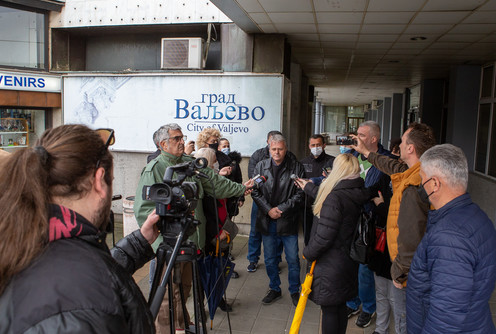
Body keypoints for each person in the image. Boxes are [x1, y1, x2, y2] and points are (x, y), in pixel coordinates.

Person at [0, 125, 160, 333]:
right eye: (111, 181)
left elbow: (82, 272)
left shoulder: (27, 236)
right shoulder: (79, 303)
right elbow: (81, 289)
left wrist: (137, 243)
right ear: (98, 181)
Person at [134, 123, 252, 334]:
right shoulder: (155, 169)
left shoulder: (190, 164)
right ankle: (167, 329)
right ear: (163, 144)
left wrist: (242, 189)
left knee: (184, 290)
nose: (182, 141)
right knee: (169, 295)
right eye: (176, 138)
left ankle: (181, 324)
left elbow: (216, 183)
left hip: (191, 241)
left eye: (182, 137)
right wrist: (161, 243)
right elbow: (143, 212)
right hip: (169, 246)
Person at [351, 122, 436, 331]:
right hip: (396, 259)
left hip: (405, 268)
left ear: (410, 148)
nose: (398, 143)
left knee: (402, 317)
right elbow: (391, 166)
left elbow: (411, 234)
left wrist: (399, 271)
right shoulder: (410, 171)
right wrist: (364, 152)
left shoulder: (415, 184)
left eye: (404, 139)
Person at [407, 144, 496, 334]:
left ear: (435, 184)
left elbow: (446, 318)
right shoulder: (478, 216)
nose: (420, 185)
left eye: (422, 179)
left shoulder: (449, 237)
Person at [296, 153, 369, 334]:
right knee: (340, 306)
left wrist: (308, 252)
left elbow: (324, 237)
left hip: (330, 263)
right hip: (346, 261)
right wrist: (310, 188)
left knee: (328, 309)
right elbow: (329, 197)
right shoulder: (356, 191)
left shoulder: (335, 198)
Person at [346, 121, 393, 329]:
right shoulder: (354, 157)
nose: (357, 138)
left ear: (374, 139)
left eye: (362, 135)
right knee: (351, 263)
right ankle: (353, 302)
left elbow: (375, 190)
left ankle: (368, 307)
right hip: (352, 217)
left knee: (365, 267)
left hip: (371, 221)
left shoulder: (387, 161)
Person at [251, 134, 305, 306]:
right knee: (269, 259)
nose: (277, 152)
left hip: (287, 220)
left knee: (292, 259)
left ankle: (294, 290)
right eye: (273, 149)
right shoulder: (261, 166)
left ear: (286, 149)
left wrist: (281, 209)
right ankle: (275, 288)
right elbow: (254, 190)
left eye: (280, 149)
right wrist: (268, 210)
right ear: (269, 148)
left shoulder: (296, 167)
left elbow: (300, 193)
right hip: (267, 220)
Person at [246, 130, 295, 272]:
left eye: (279, 148)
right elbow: (253, 179)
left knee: (278, 232)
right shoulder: (258, 155)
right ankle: (253, 259)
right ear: (268, 143)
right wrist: (266, 207)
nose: (276, 151)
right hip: (261, 201)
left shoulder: (290, 158)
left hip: (280, 203)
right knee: (256, 231)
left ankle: (276, 260)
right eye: (272, 146)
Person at [194, 147, 236, 312]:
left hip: (223, 229)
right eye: (214, 161)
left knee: (220, 269)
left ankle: (217, 298)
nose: (217, 164)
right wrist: (217, 232)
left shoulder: (215, 179)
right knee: (203, 273)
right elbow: (205, 214)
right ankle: (200, 307)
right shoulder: (201, 183)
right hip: (209, 237)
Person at [299, 134, 335, 245]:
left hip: (326, 205)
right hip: (307, 205)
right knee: (308, 234)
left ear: (324, 145)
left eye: (318, 145)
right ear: (309, 146)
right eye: (313, 145)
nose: (315, 147)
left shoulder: (333, 161)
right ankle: (309, 257)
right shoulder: (303, 162)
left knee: (323, 235)